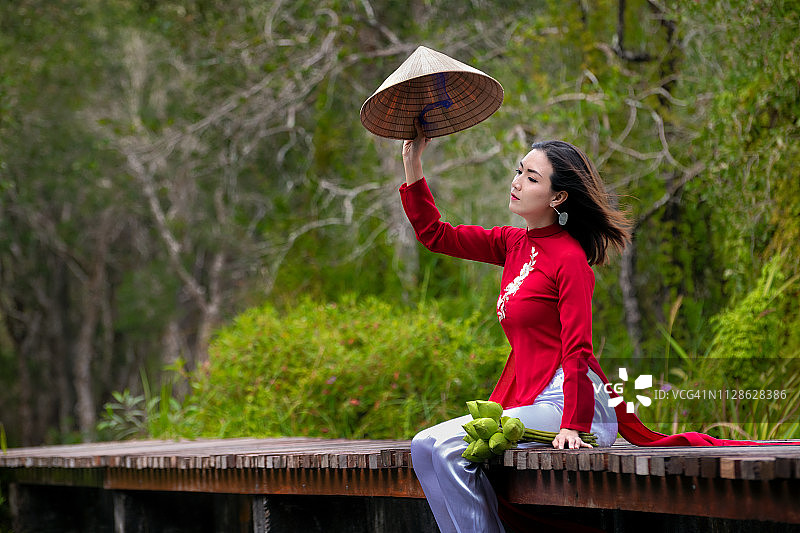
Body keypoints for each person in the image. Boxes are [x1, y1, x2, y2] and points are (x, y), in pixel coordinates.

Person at [399, 124, 628, 532]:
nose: (517, 182)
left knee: (454, 449)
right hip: (534, 398)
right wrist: (412, 162)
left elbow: (579, 349)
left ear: (558, 197)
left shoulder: (570, 261)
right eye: (519, 171)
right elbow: (436, 236)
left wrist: (572, 424)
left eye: (532, 177)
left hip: (573, 405)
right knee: (423, 445)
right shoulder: (513, 244)